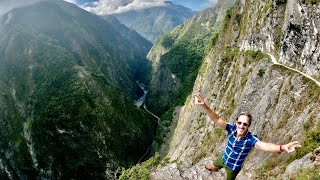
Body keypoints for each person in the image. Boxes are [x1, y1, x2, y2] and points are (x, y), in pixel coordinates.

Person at [194, 94, 301, 180]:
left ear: (248, 126)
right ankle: (215, 168)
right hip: (224, 157)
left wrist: (282, 147)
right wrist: (205, 106)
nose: (241, 126)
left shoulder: (250, 140)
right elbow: (216, 119)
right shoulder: (231, 129)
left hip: (233, 167)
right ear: (236, 122)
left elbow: (265, 146)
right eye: (239, 123)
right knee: (216, 163)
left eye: (245, 124)